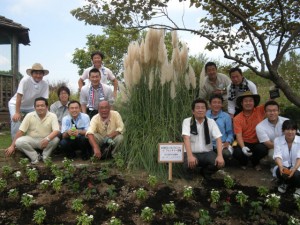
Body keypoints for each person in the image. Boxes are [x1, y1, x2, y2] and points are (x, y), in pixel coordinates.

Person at [5, 97, 60, 164]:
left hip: (46, 140)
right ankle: (35, 157)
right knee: (19, 142)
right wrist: (12, 146)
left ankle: (45, 157)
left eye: (42, 106)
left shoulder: (52, 116)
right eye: (37, 106)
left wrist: (47, 139)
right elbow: (21, 131)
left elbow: (56, 130)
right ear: (34, 107)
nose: (40, 108)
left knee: (56, 139)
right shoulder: (29, 115)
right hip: (32, 140)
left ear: (46, 107)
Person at [182, 98, 225, 180]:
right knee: (188, 163)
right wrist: (190, 156)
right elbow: (186, 138)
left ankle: (205, 172)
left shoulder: (211, 122)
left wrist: (220, 155)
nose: (200, 110)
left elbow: (218, 139)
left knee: (219, 162)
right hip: (192, 152)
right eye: (197, 108)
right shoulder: (187, 121)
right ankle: (190, 175)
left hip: (207, 152)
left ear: (206, 110)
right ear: (193, 111)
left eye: (203, 108)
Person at [8, 63, 49, 140]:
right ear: (31, 73)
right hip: (16, 104)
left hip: (31, 107)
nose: (38, 75)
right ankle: (15, 143)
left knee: (39, 120)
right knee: (15, 120)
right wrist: (17, 112)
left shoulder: (45, 84)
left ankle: (34, 140)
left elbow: (44, 100)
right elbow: (19, 97)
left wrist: (46, 112)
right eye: (36, 73)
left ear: (43, 75)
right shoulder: (25, 80)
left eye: (40, 73)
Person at [233, 91, 268, 171]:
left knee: (262, 149)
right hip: (245, 141)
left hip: (257, 141)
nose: (248, 103)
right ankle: (243, 162)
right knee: (237, 152)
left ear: (254, 102)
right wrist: (243, 147)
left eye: (250, 100)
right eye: (245, 101)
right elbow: (238, 135)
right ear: (242, 103)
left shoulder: (260, 110)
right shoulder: (237, 118)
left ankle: (255, 162)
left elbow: (269, 104)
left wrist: (274, 93)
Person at [273, 120, 300, 197]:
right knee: (279, 171)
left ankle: (298, 187)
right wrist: (281, 166)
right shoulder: (277, 140)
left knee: (296, 175)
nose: (290, 132)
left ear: (296, 130)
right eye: (287, 129)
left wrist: (294, 168)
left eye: (293, 129)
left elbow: (299, 157)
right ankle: (285, 183)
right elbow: (277, 155)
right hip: (285, 165)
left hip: (298, 166)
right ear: (283, 130)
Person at [206, 94, 234, 161]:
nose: (216, 105)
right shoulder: (205, 114)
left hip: (221, 143)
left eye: (219, 103)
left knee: (226, 154)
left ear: (222, 105)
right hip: (207, 144)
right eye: (214, 102)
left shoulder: (226, 116)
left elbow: (230, 133)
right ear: (210, 104)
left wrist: (228, 141)